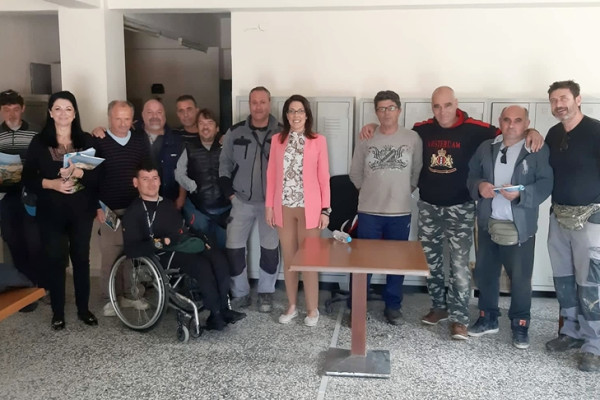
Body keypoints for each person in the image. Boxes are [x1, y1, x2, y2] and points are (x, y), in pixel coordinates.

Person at [360, 86, 543, 339]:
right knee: (431, 263)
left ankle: (459, 318)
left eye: (447, 105)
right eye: (436, 106)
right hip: (429, 207)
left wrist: (533, 131)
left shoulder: (477, 129)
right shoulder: (422, 129)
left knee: (458, 266)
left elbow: (511, 130)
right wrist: (372, 125)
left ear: (456, 103)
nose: (442, 111)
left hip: (461, 208)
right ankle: (438, 307)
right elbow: (393, 132)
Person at [466, 105, 553, 349]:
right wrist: (479, 186)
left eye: (517, 120)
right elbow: (471, 175)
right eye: (506, 120)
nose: (511, 125)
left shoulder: (535, 148)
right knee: (486, 273)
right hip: (488, 222)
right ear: (499, 121)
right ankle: (488, 317)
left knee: (521, 278)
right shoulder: (487, 147)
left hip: (520, 226)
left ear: (527, 123)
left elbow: (546, 183)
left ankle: (520, 324)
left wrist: (521, 196)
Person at [122, 162, 245, 331]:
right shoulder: (133, 212)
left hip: (183, 245)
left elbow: (182, 228)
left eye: (154, 178)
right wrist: (160, 242)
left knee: (219, 259)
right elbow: (131, 249)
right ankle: (215, 313)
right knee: (202, 266)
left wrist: (201, 239)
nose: (151, 183)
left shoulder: (167, 204)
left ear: (159, 181)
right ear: (136, 182)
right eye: (145, 179)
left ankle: (224, 308)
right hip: (161, 254)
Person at [22, 91, 99, 330]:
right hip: (51, 213)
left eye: (68, 109)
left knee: (81, 260)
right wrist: (51, 184)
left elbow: (99, 176)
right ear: (50, 113)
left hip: (81, 212)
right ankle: (57, 312)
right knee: (55, 261)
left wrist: (81, 172)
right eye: (58, 108)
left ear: (75, 113)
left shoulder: (87, 140)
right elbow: (27, 178)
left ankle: (83, 309)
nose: (63, 113)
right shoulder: (39, 142)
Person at [349, 90, 422, 325]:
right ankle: (357, 307)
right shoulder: (367, 137)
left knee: (396, 263)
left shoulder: (412, 138)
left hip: (399, 212)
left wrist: (402, 192)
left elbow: (416, 172)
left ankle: (393, 307)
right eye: (381, 109)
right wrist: (369, 191)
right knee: (363, 262)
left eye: (390, 108)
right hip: (369, 212)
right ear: (376, 112)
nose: (386, 113)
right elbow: (355, 172)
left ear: (399, 110)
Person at [543, 80, 600, 372]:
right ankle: (571, 332)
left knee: (590, 283)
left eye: (563, 98)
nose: (558, 105)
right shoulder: (554, 134)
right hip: (559, 217)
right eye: (554, 100)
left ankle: (594, 345)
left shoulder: (596, 131)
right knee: (563, 278)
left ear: (578, 99)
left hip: (591, 219)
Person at [265, 94, 331, 327]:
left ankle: (312, 309)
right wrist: (269, 207)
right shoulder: (277, 140)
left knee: (309, 259)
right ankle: (292, 305)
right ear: (286, 115)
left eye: (300, 111)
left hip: (309, 209)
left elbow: (324, 178)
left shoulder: (318, 140)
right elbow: (271, 176)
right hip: (284, 207)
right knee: (290, 259)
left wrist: (325, 210)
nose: (296, 115)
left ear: (307, 115)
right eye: (291, 111)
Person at [219, 86, 281, 312]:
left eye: (262, 102)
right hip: (241, 201)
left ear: (269, 103)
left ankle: (266, 293)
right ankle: (240, 293)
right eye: (254, 102)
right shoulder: (235, 132)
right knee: (234, 248)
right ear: (249, 104)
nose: (258, 107)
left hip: (270, 204)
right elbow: (224, 164)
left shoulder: (281, 133)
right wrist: (230, 195)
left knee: (270, 249)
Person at [92, 100, 151, 317]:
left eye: (127, 119)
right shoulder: (98, 141)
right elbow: (90, 177)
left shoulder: (139, 140)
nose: (123, 123)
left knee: (130, 254)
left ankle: (130, 295)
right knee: (110, 254)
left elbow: (145, 169)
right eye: (118, 118)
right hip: (107, 208)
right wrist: (95, 207)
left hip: (134, 208)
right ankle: (110, 298)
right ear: (109, 118)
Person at [0, 89, 43, 298]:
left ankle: (39, 285)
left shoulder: (35, 133)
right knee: (12, 239)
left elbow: (43, 162)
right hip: (5, 196)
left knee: (34, 241)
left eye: (15, 109)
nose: (11, 114)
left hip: (31, 194)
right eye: (6, 109)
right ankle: (23, 286)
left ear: (23, 108)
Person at [175, 108, 230, 249]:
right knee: (203, 250)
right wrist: (191, 185)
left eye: (210, 123)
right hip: (199, 211)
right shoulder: (189, 148)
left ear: (217, 128)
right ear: (197, 127)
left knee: (226, 251)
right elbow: (179, 173)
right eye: (201, 123)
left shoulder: (227, 147)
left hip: (225, 210)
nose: (205, 127)